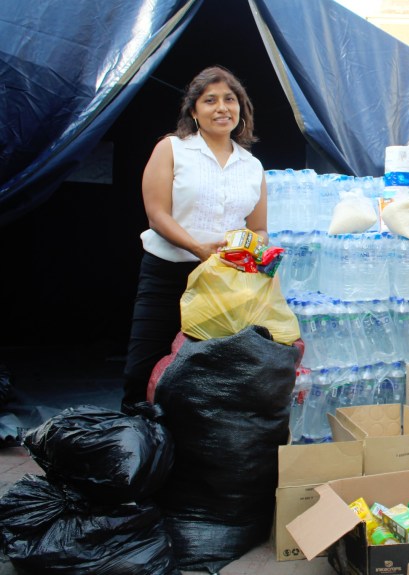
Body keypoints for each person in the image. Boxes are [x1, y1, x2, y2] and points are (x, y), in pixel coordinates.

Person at [121, 65, 268, 413]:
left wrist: (252, 248)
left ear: (241, 109)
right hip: (167, 274)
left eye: (230, 99)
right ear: (193, 110)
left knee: (209, 370)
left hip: (222, 280)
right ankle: (135, 448)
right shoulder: (172, 148)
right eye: (210, 100)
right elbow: (157, 215)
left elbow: (259, 228)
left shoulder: (252, 165)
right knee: (144, 365)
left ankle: (191, 454)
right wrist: (199, 248)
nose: (221, 108)